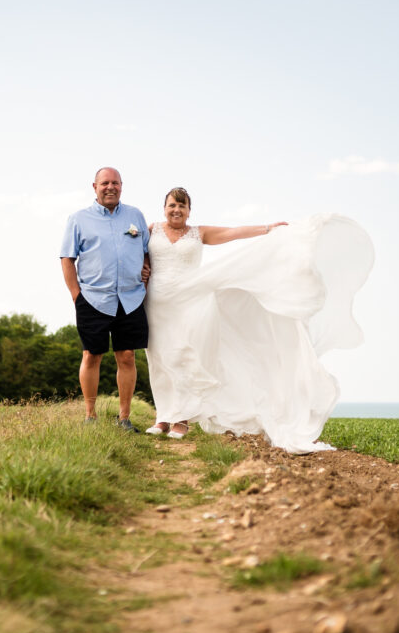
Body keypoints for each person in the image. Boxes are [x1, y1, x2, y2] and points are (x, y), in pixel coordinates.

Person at [143, 186, 373, 454]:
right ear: (164, 208)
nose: (176, 210)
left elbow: (231, 233)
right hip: (157, 302)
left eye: (182, 206)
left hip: (191, 300)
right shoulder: (150, 230)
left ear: (189, 211)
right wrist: (141, 267)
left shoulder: (199, 233)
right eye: (172, 205)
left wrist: (266, 228)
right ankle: (162, 417)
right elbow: (134, 253)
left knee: (183, 354)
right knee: (158, 356)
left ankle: (180, 419)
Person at [59, 167, 150, 431]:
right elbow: (67, 258)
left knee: (127, 356)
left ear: (122, 186)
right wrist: (77, 296)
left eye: (116, 183)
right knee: (92, 356)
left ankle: (124, 418)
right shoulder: (78, 219)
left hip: (131, 298)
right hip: (93, 299)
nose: (111, 187)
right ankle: (90, 415)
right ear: (95, 187)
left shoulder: (135, 216)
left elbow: (146, 251)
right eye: (105, 183)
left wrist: (145, 269)